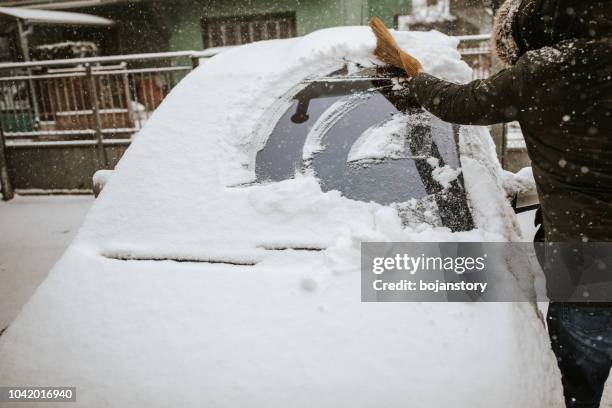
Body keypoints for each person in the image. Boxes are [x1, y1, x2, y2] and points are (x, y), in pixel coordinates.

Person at [370, 0, 611, 406]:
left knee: (577, 383)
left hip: (589, 263)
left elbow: (460, 103)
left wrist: (413, 77)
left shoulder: (542, 70)